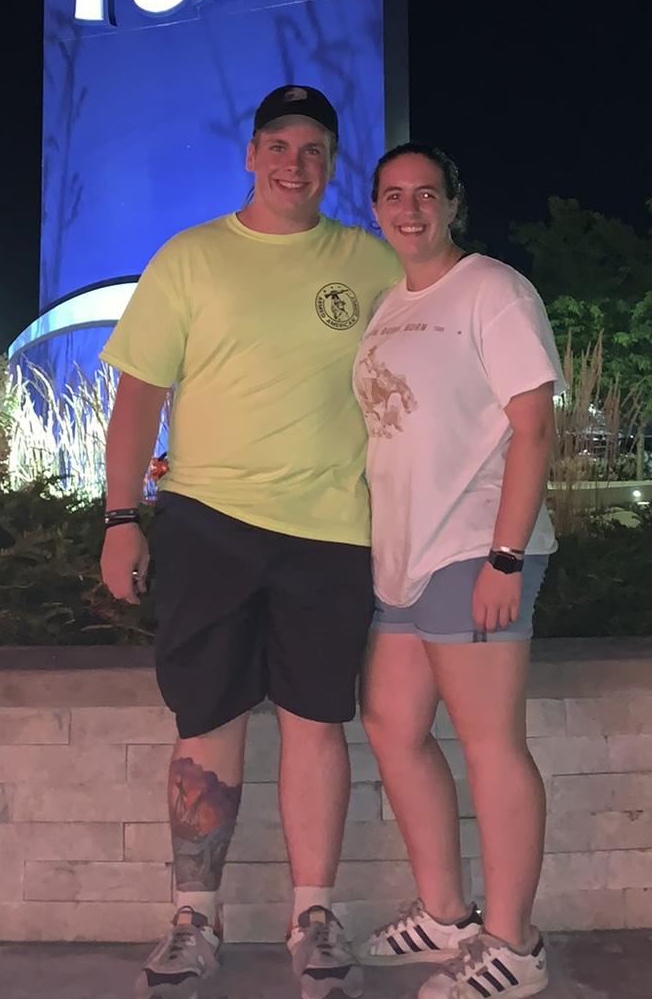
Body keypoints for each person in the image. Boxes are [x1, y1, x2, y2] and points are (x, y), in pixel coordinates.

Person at [100, 84, 399, 999]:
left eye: (313, 150)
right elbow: (138, 398)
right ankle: (195, 917)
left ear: (333, 164)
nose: (293, 164)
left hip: (333, 530)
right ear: (251, 155)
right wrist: (120, 519)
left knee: (316, 720)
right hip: (208, 523)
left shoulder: (373, 263)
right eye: (278, 145)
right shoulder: (190, 258)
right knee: (206, 720)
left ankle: (313, 915)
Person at [352, 143, 559, 999]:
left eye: (426, 193)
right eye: (394, 195)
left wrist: (505, 557)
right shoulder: (389, 304)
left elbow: (533, 427)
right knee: (390, 725)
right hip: (402, 555)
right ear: (375, 208)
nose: (410, 208)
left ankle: (514, 945)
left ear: (452, 203)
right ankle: (445, 915)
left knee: (490, 745)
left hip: (475, 545)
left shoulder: (493, 291)